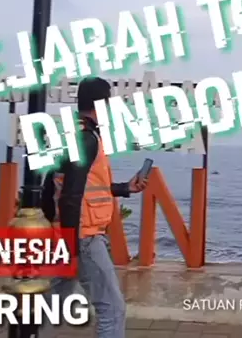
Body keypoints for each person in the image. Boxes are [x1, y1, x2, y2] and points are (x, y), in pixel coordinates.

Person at [40, 77, 149, 338]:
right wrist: (72, 246)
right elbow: (71, 194)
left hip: (65, 233)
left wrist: (124, 188)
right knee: (112, 309)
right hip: (83, 236)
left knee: (51, 305)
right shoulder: (87, 140)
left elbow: (53, 188)